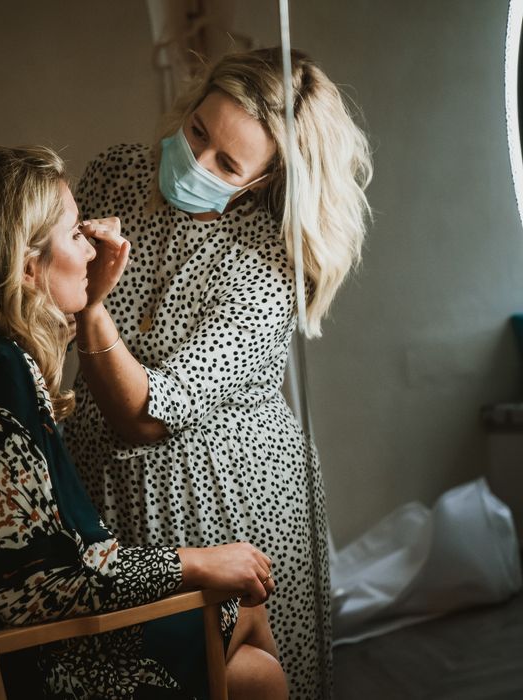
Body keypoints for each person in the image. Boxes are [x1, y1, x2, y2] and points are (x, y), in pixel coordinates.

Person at [0, 145, 288, 700]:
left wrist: (83, 307)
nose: (93, 250)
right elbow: (39, 586)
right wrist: (198, 563)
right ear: (27, 267)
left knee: (246, 655)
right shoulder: (0, 369)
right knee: (251, 637)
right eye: (76, 234)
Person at [63, 48, 372, 699]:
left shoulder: (267, 263)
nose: (196, 163)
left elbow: (148, 416)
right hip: (102, 487)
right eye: (197, 131)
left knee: (234, 680)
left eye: (227, 164)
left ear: (262, 180)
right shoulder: (117, 171)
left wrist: (92, 312)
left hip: (225, 500)